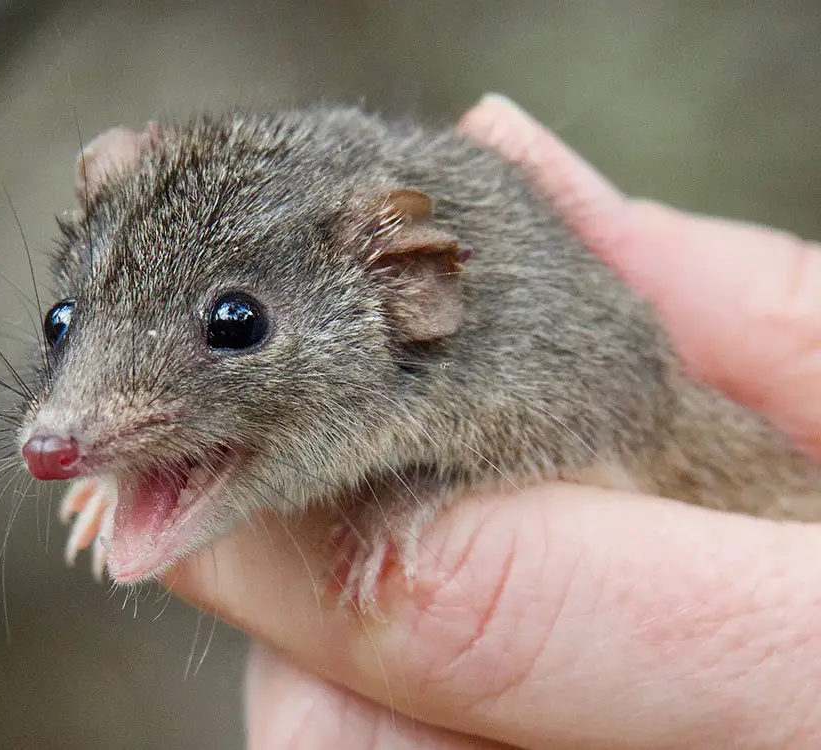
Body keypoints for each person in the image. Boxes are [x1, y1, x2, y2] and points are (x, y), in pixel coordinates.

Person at [166, 94, 821, 750]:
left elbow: (619, 396)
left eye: (235, 325)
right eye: (61, 323)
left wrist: (430, 488)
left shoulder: (531, 330)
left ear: (408, 285)